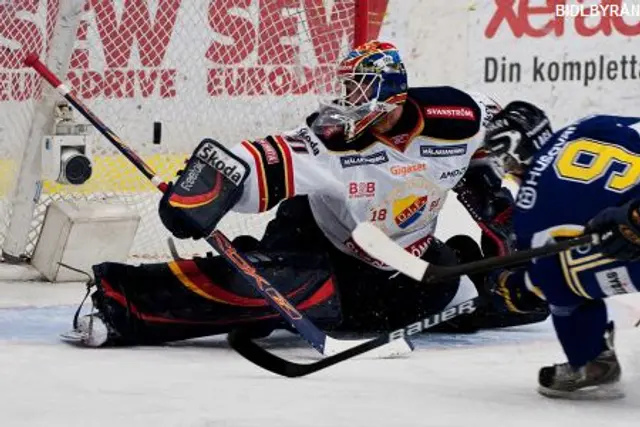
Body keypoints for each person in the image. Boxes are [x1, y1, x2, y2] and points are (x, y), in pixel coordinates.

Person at [66, 41, 543, 348]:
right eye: (346, 88)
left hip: (405, 265)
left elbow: (507, 122)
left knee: (515, 298)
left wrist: (522, 132)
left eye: (358, 89)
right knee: (295, 290)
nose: (346, 98)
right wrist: (202, 190)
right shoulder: (331, 138)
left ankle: (474, 262)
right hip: (320, 244)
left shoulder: (453, 117)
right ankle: (121, 299)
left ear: (392, 96)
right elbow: (254, 160)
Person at [482, 101, 640, 399]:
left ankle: (591, 362)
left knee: (558, 275)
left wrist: (523, 285)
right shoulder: (590, 123)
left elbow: (546, 275)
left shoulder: (532, 206)